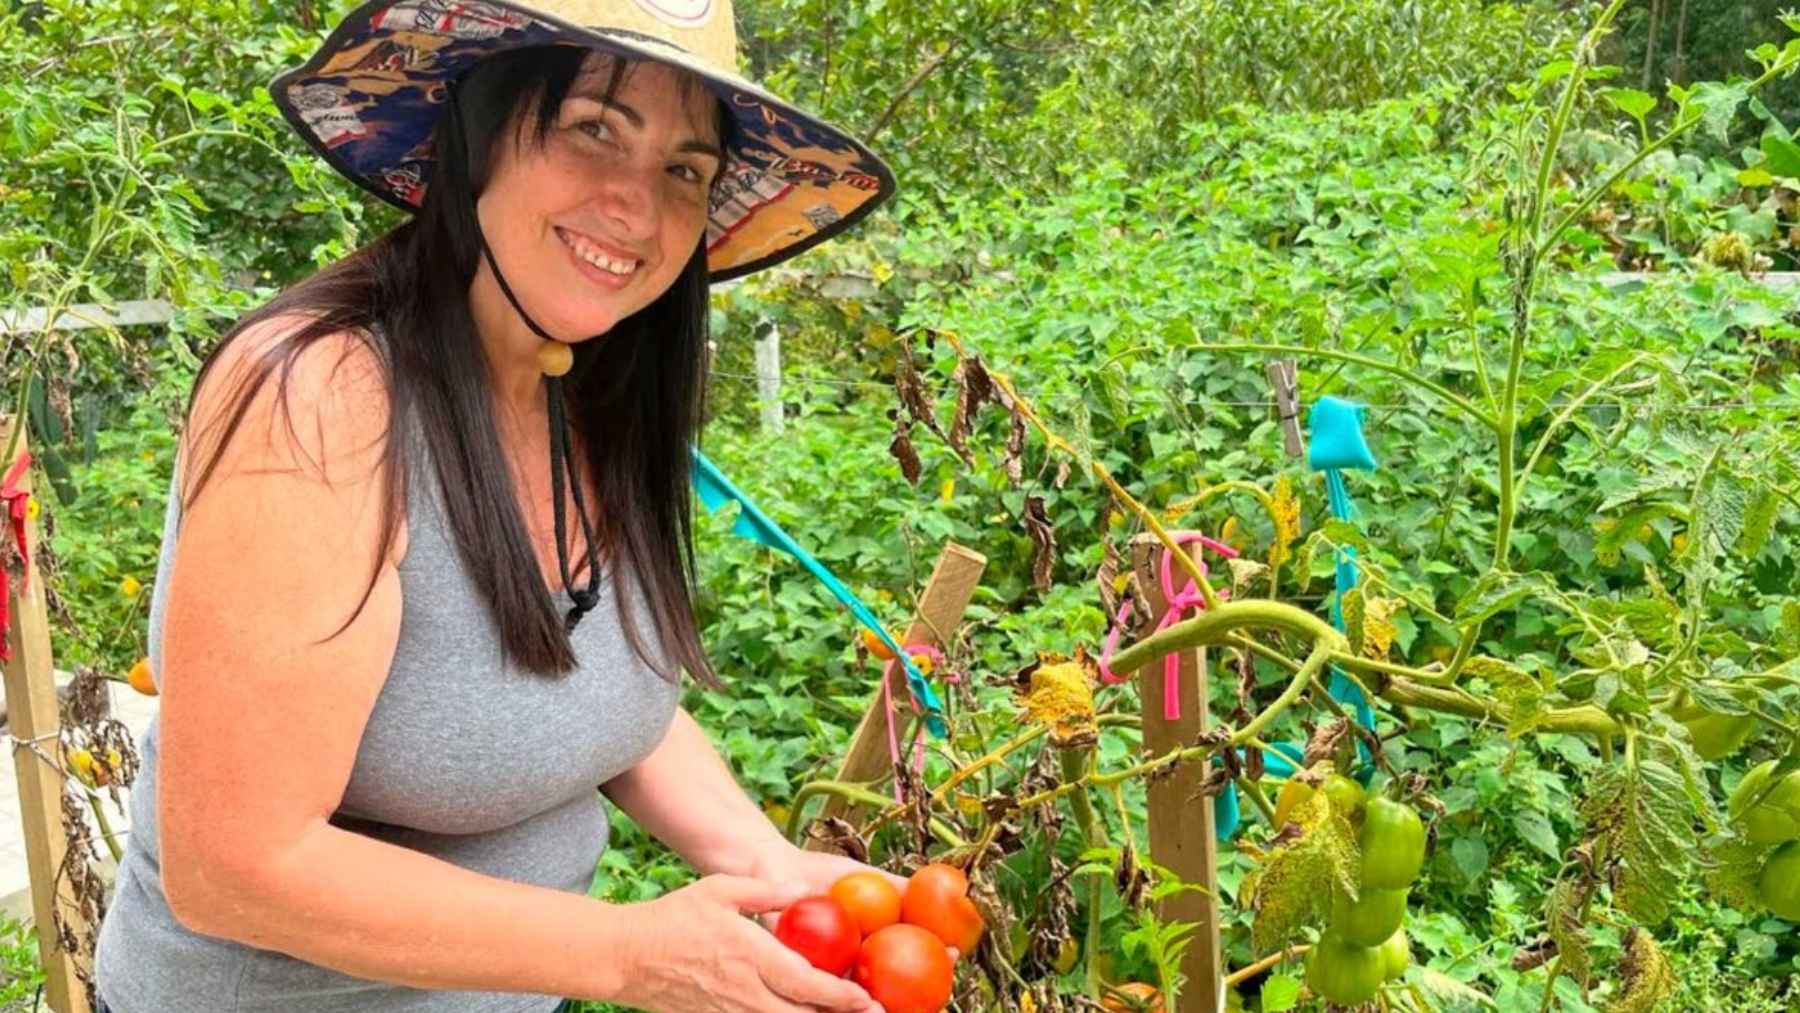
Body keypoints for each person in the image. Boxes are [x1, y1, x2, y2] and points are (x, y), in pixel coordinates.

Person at [93, 1, 902, 1010]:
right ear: (476, 128)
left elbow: (593, 701)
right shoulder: (324, 397)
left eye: (684, 171)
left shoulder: (577, 385)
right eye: (594, 127)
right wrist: (627, 952)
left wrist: (773, 869)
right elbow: (235, 862)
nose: (639, 209)